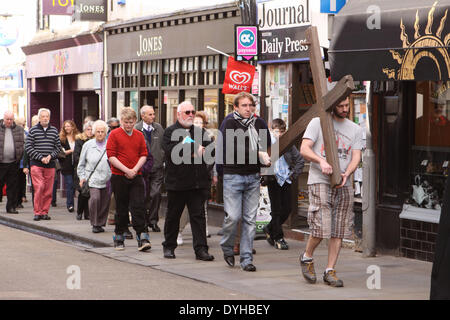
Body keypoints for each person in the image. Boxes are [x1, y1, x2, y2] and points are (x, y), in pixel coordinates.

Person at [299, 96, 363, 287]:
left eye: (346, 105)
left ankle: (330, 270)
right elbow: (304, 148)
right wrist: (321, 161)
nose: (344, 109)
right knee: (322, 226)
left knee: (339, 229)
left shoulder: (355, 129)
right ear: (332, 106)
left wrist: (347, 173)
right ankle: (307, 257)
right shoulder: (318, 122)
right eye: (340, 106)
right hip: (320, 180)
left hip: (343, 182)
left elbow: (356, 156)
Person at [219, 92, 271, 272]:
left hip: (253, 176)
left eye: (251, 105)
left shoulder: (259, 123)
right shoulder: (229, 123)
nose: (248, 109)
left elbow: (267, 145)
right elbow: (232, 149)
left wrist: (264, 163)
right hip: (233, 176)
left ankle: (246, 258)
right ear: (236, 107)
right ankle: (226, 247)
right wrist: (257, 152)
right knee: (233, 217)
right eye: (244, 106)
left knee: (250, 219)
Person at [161, 101, 214, 261]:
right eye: (187, 112)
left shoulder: (201, 132)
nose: (191, 115)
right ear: (179, 114)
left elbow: (209, 152)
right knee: (173, 216)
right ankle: (169, 246)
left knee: (198, 218)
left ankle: (201, 250)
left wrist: (192, 152)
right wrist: (194, 151)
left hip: (198, 183)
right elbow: (172, 152)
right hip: (177, 183)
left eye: (192, 112)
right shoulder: (170, 132)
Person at [106, 107, 151, 251]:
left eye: (131, 122)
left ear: (135, 121)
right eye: (125, 122)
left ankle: (142, 236)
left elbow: (144, 154)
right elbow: (111, 156)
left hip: (136, 175)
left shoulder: (139, 135)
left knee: (139, 206)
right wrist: (126, 170)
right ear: (121, 121)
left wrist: (135, 170)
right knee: (121, 207)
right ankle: (119, 235)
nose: (128, 125)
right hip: (119, 176)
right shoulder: (114, 134)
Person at [263, 118, 304, 250]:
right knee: (276, 210)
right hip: (273, 179)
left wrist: (293, 175)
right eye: (276, 131)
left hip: (286, 179)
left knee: (287, 208)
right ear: (271, 130)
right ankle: (278, 238)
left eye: (281, 131)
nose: (279, 134)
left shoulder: (288, 144)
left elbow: (300, 160)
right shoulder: (268, 144)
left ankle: (270, 228)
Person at [177, 111, 216, 245]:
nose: (198, 125)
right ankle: (179, 231)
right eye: (196, 122)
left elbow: (211, 158)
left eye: (201, 122)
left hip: (203, 176)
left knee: (202, 206)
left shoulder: (209, 137)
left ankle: (201, 233)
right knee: (185, 209)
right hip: (187, 177)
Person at [25, 108, 62, 221]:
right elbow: (28, 147)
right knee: (39, 187)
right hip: (36, 163)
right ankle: (37, 212)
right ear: (39, 118)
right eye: (43, 116)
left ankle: (45, 212)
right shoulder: (33, 131)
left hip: (50, 164)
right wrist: (40, 158)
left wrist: (50, 156)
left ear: (49, 118)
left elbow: (58, 148)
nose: (45, 118)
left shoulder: (54, 130)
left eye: (47, 116)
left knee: (48, 190)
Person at [78, 120, 112, 233]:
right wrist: (82, 177)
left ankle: (101, 223)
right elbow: (81, 164)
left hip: (107, 178)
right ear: (94, 132)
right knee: (95, 199)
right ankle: (95, 223)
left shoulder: (110, 144)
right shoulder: (88, 145)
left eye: (103, 131)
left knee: (105, 202)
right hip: (92, 178)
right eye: (98, 131)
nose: (100, 134)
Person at [135, 105, 164, 232]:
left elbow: (163, 145)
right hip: (141, 169)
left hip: (157, 167)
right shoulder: (136, 129)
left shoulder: (158, 128)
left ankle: (153, 221)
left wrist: (162, 158)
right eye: (150, 114)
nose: (153, 116)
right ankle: (144, 221)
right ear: (143, 116)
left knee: (155, 194)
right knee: (143, 196)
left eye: (153, 114)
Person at [0, 110, 25, 214]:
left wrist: (19, 156)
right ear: (3, 119)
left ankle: (11, 207)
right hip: (1, 163)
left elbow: (22, 144)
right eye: (7, 119)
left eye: (11, 119)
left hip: (13, 162)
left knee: (12, 186)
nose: (9, 121)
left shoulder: (19, 129)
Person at [73, 121, 94, 220]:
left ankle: (87, 214)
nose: (90, 131)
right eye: (88, 129)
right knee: (83, 192)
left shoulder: (96, 140)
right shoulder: (79, 140)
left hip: (93, 170)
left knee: (89, 193)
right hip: (82, 169)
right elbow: (76, 156)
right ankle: (80, 212)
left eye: (91, 129)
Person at [59, 120, 80, 213]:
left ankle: (81, 206)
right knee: (69, 184)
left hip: (77, 165)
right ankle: (70, 204)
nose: (67, 128)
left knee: (77, 185)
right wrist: (71, 151)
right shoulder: (61, 139)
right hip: (66, 165)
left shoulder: (78, 137)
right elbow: (60, 153)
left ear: (73, 127)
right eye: (65, 126)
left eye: (69, 126)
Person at [14, 117, 27, 208]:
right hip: (15, 162)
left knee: (22, 182)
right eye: (21, 124)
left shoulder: (26, 134)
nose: (23, 126)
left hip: (23, 162)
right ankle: (15, 201)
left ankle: (19, 200)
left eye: (24, 124)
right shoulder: (13, 133)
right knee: (15, 182)